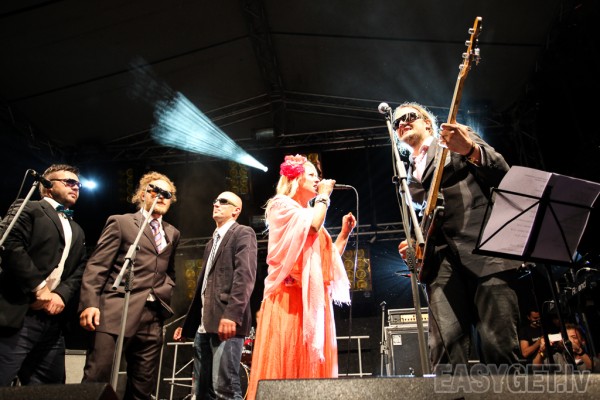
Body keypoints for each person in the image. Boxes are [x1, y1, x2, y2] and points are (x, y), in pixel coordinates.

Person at [394, 102, 521, 371]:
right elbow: (427, 219)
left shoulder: (453, 139)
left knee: (498, 346)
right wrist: (416, 245)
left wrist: (470, 149)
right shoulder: (407, 177)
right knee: (444, 351)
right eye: (397, 122)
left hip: (483, 252)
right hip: (440, 265)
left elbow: (502, 173)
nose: (402, 123)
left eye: (409, 117)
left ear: (427, 122)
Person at [246, 154, 356, 400]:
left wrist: (344, 235)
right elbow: (313, 227)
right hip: (289, 300)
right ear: (295, 179)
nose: (318, 180)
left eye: (318, 176)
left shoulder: (308, 213)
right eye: (311, 175)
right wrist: (324, 196)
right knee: (287, 361)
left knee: (310, 367)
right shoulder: (282, 205)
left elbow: (327, 261)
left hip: (312, 303)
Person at [79, 171, 180, 400]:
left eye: (167, 194)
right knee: (99, 377)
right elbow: (97, 265)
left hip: (152, 315)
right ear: (142, 194)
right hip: (116, 310)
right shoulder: (121, 222)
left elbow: (170, 270)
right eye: (156, 191)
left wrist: (165, 290)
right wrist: (90, 303)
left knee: (142, 385)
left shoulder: (172, 233)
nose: (161, 196)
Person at [0, 164, 87, 385]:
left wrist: (60, 295)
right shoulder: (28, 208)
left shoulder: (77, 229)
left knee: (50, 387)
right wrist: (39, 288)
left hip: (52, 321)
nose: (75, 187)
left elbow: (79, 268)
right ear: (47, 186)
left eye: (78, 184)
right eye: (69, 182)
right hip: (18, 313)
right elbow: (10, 245)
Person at [173, 191, 257, 400]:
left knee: (224, 388)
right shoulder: (211, 243)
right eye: (215, 201)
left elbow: (245, 276)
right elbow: (204, 287)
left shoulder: (242, 233)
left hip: (226, 323)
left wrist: (232, 314)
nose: (216, 204)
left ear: (236, 211)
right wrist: (189, 323)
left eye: (223, 201)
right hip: (204, 326)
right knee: (201, 392)